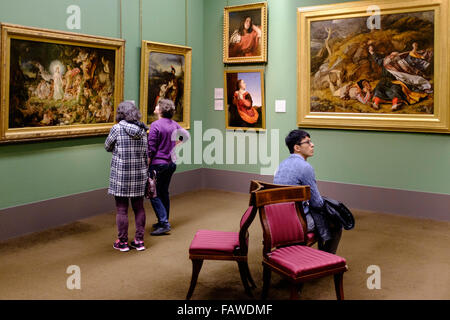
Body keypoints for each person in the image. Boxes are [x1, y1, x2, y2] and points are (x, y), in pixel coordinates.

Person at [273, 129, 342, 254]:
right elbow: (317, 203)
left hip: (277, 221)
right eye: (308, 142)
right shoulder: (305, 167)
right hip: (297, 222)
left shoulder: (282, 165)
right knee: (336, 221)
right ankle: (327, 259)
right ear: (297, 148)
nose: (312, 144)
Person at [105, 101, 149, 252]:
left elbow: (107, 146)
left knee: (122, 209)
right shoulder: (142, 130)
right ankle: (139, 240)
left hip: (121, 175)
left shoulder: (117, 129)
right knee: (139, 208)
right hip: (139, 174)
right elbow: (146, 153)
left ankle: (122, 242)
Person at [147, 99, 190, 235]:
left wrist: (146, 164)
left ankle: (164, 223)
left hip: (158, 164)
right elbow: (186, 135)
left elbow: (151, 149)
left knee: (153, 193)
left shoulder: (155, 125)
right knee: (163, 191)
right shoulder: (173, 124)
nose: (155, 107)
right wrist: (176, 143)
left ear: (160, 110)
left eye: (157, 106)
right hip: (171, 163)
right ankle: (163, 219)